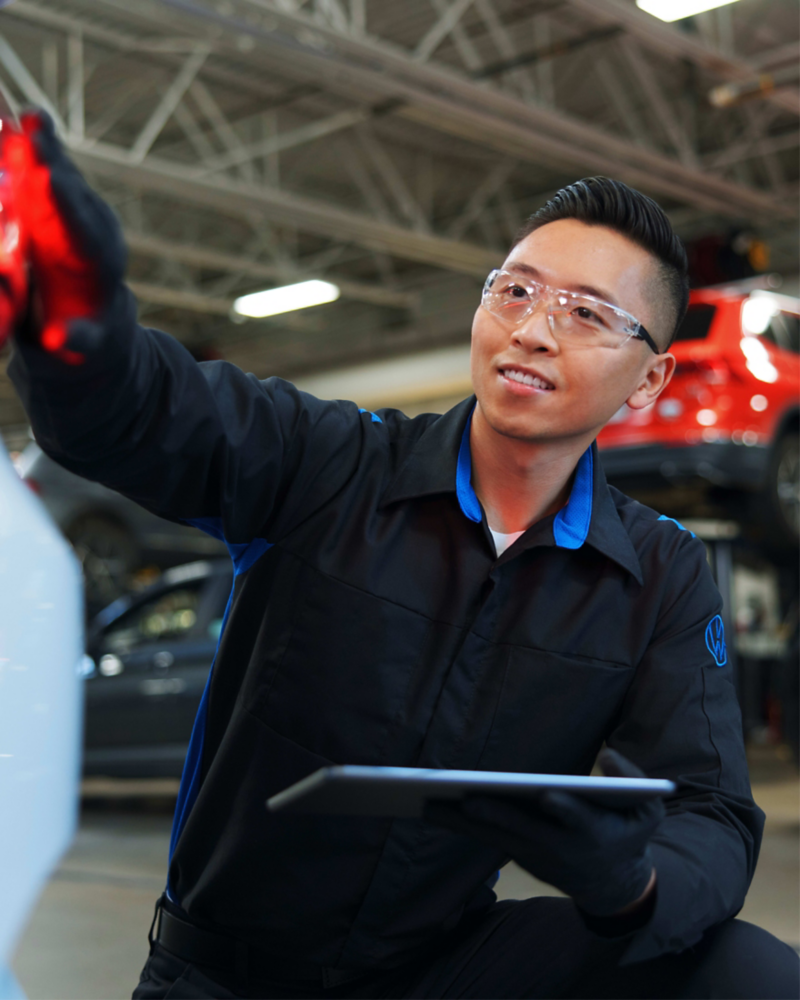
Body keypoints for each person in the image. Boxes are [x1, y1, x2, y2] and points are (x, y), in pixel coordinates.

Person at [5, 111, 799, 1000]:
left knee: (746, 974)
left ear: (649, 377)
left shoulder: (658, 576)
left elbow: (715, 812)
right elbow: (148, 411)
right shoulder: (330, 463)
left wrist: (635, 881)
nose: (534, 330)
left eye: (585, 313)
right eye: (516, 291)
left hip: (440, 972)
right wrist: (75, 323)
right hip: (223, 972)